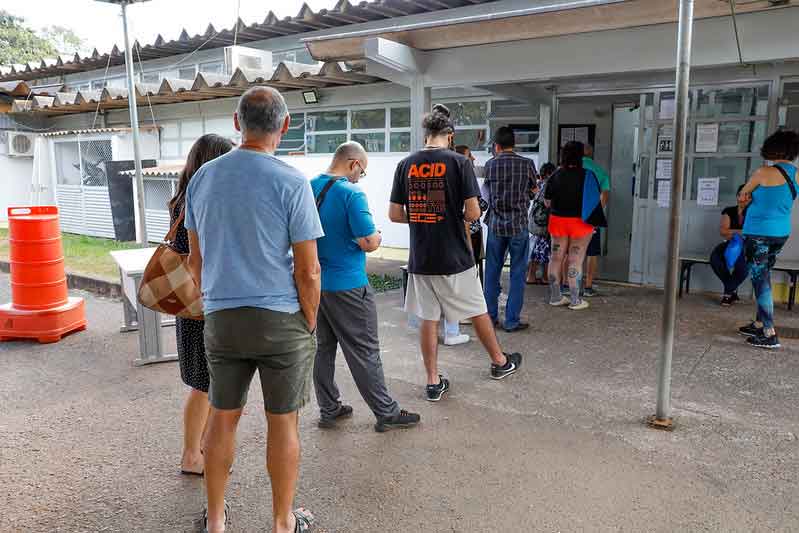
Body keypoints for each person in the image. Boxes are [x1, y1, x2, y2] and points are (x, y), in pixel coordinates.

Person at [185, 87, 320, 533]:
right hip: (280, 318)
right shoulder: (291, 181)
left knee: (223, 416)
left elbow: (195, 261)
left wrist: (214, 303)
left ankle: (217, 521)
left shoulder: (203, 178)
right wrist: (310, 320)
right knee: (283, 422)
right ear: (284, 125)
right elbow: (308, 269)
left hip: (222, 317)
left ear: (237, 123)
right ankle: (283, 522)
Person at [389, 105, 522, 402]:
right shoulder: (459, 163)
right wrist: (451, 216)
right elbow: (473, 211)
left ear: (426, 134)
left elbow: (395, 214)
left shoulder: (405, 165)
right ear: (449, 136)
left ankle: (433, 382)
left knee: (428, 318)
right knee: (477, 309)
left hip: (421, 257)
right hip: (455, 256)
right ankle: (500, 362)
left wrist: (425, 215)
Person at [311, 141, 421, 433]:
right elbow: (369, 241)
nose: (361, 177)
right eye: (363, 171)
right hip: (348, 286)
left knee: (322, 349)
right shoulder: (351, 193)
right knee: (365, 350)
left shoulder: (308, 187)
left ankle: (329, 408)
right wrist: (378, 236)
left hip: (314, 284)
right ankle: (387, 412)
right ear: (354, 164)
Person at [168, 134, 234, 477]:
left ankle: (203, 448)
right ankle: (191, 455)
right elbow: (200, 257)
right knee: (204, 385)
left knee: (207, 384)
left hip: (191, 302)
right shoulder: (197, 202)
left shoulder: (184, 197)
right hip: (201, 304)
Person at [737, 130, 799, 349]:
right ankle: (759, 322)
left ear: (774, 149)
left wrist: (743, 203)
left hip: (758, 233)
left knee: (760, 280)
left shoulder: (763, 172)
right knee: (763, 275)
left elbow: (743, 195)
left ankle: (769, 333)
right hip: (780, 233)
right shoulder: (797, 174)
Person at [482, 126, 538, 332]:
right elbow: (535, 191)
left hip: (496, 226)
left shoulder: (490, 165)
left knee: (492, 273)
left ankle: (490, 317)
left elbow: (486, 194)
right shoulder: (527, 164)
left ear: (496, 146)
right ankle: (512, 321)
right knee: (517, 273)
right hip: (519, 226)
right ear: (514, 144)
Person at [545, 141, 603, 310]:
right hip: (580, 223)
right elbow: (595, 200)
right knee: (575, 259)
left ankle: (556, 297)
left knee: (556, 258)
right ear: (581, 156)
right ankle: (575, 300)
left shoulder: (555, 175)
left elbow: (547, 202)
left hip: (558, 221)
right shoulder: (588, 175)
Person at [709, 184, 750, 306]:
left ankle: (728, 294)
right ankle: (732, 290)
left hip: (747, 247)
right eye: (742, 194)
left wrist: (732, 231)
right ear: (737, 196)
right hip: (730, 244)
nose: (745, 198)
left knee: (742, 267)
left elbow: (753, 234)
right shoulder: (729, 211)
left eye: (749, 196)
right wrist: (740, 232)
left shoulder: (754, 214)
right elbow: (723, 232)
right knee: (715, 258)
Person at [582, 144, 611, 297]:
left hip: (571, 217)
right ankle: (587, 287)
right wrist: (596, 211)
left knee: (569, 251)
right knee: (591, 253)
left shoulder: (569, 167)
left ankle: (565, 284)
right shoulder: (599, 170)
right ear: (591, 154)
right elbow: (605, 195)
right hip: (591, 217)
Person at [527, 162, 556, 285]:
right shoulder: (548, 185)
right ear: (550, 174)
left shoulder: (539, 184)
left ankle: (532, 276)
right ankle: (538, 276)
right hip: (544, 224)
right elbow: (548, 203)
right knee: (542, 251)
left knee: (537, 250)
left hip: (536, 222)